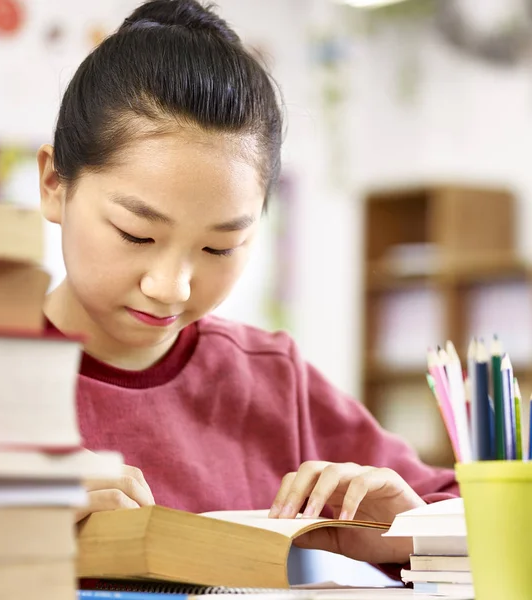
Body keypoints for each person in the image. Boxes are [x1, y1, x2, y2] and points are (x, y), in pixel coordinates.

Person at [38, 0, 458, 574]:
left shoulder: (270, 379)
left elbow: (477, 521)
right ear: (54, 183)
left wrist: (411, 536)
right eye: (136, 234)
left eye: (219, 248)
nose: (171, 286)